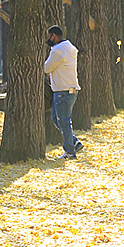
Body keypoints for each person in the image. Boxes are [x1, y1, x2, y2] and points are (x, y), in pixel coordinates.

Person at [44, 25, 83, 160]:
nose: (47, 39)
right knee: (56, 118)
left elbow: (47, 67)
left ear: (54, 36)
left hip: (62, 91)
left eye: (48, 36)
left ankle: (70, 152)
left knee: (64, 121)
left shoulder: (58, 50)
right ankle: (74, 142)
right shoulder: (69, 47)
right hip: (69, 89)